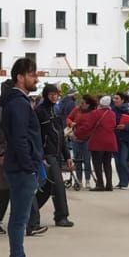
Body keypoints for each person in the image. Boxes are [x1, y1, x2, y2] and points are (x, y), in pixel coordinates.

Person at [0, 58, 43, 257]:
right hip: (21, 168)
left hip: (21, 166)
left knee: (20, 216)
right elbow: (19, 137)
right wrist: (29, 165)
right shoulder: (18, 103)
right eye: (32, 74)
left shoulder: (19, 101)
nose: (36, 78)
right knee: (19, 218)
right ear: (20, 77)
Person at [0, 81, 43, 237]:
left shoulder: (18, 105)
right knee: (11, 188)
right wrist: (0, 152)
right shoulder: (2, 107)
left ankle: (29, 223)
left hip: (18, 153)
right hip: (7, 154)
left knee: (19, 187)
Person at [35, 84, 73, 227]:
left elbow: (61, 136)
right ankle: (61, 216)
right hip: (47, 154)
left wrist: (67, 155)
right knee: (57, 186)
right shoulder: (40, 112)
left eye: (55, 94)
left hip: (56, 153)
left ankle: (29, 211)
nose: (53, 96)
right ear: (46, 95)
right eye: (51, 94)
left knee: (48, 187)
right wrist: (41, 154)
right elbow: (36, 135)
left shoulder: (56, 111)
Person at [81, 96, 118, 191]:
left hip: (98, 141)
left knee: (97, 163)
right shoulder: (112, 114)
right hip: (110, 141)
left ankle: (100, 183)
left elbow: (87, 126)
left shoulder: (95, 113)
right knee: (107, 163)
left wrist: (76, 133)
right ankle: (109, 184)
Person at [111, 93, 129, 190]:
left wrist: (126, 127)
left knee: (124, 160)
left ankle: (125, 182)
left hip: (125, 138)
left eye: (117, 98)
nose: (114, 100)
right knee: (117, 160)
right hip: (115, 137)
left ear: (123, 100)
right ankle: (121, 181)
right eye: (114, 98)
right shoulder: (112, 110)